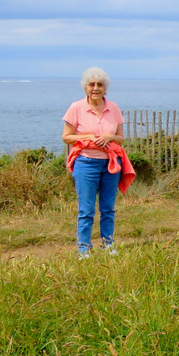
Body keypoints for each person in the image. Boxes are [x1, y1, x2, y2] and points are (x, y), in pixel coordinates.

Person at [62, 67, 133, 258]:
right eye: (91, 84)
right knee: (86, 210)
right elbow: (66, 137)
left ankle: (107, 244)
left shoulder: (114, 108)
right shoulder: (76, 107)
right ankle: (84, 249)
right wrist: (88, 137)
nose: (95, 88)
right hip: (86, 163)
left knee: (108, 208)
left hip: (111, 164)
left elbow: (121, 138)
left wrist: (109, 136)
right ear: (85, 87)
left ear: (105, 88)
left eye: (99, 85)